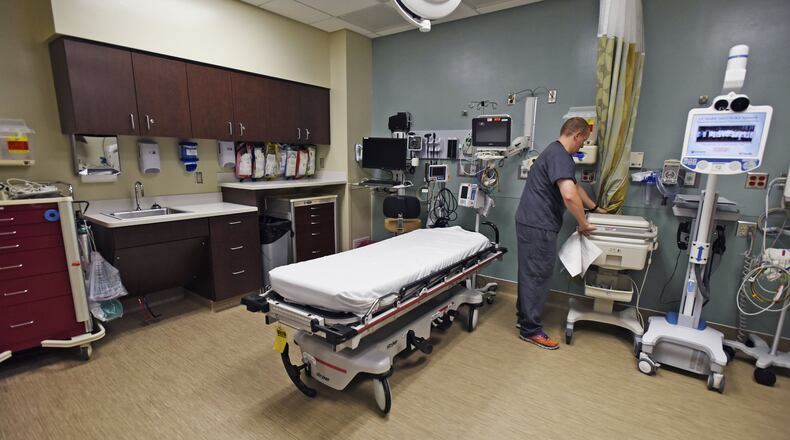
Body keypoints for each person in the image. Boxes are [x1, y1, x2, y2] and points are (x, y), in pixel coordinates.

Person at [515, 117, 605, 350]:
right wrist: (584, 223)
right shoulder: (561, 156)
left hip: (530, 221)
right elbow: (568, 195)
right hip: (538, 224)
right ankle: (531, 330)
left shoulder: (554, 153)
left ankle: (524, 319)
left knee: (529, 273)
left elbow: (575, 188)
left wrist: (594, 208)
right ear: (576, 135)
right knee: (537, 275)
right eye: (583, 142)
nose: (581, 147)